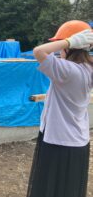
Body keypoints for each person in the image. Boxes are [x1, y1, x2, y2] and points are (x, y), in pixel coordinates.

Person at [27, 20, 93, 197]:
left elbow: (38, 51)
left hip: (59, 141)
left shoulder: (67, 70)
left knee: (51, 189)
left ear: (70, 47)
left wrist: (70, 41)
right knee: (68, 189)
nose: (59, 51)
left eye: (62, 46)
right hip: (77, 141)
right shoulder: (88, 68)